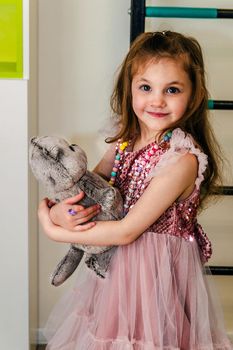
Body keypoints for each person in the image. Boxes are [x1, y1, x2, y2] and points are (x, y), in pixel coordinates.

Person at [38, 31, 233, 349]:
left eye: (172, 89)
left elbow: (127, 231)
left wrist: (56, 232)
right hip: (116, 276)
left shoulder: (181, 159)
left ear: (193, 95)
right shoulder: (124, 140)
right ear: (128, 89)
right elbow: (87, 189)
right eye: (146, 87)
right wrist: (60, 211)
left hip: (157, 284)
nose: (157, 100)